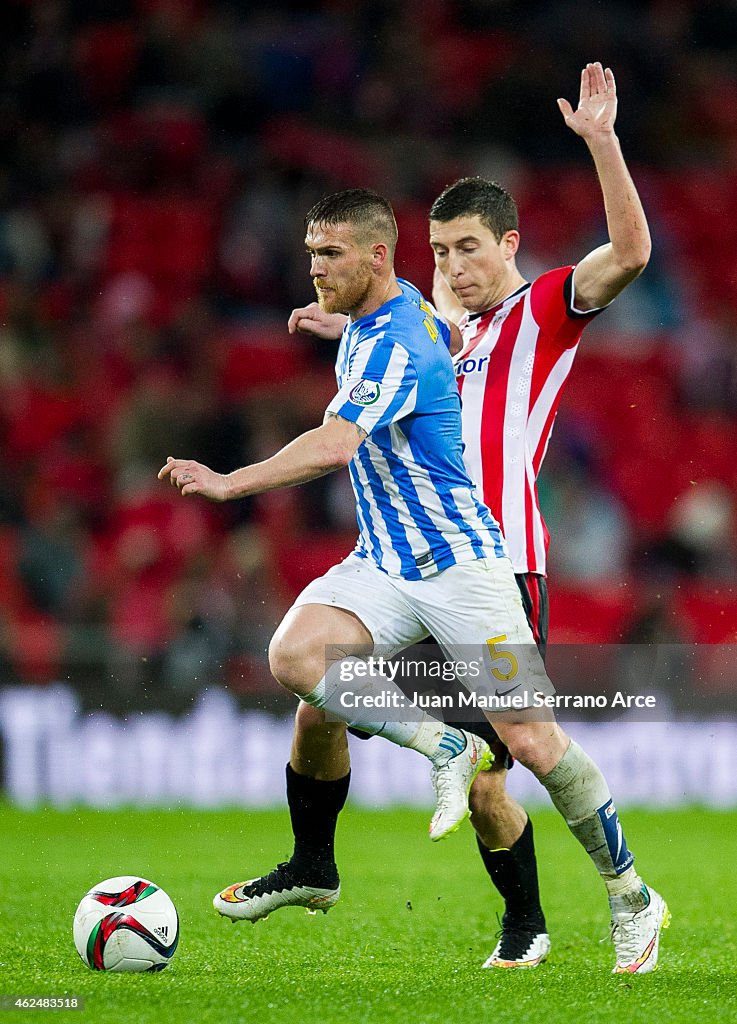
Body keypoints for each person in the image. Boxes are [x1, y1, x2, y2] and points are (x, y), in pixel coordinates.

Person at [214, 64, 669, 976]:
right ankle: (313, 864)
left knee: (517, 755)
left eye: (468, 249)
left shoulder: (537, 312)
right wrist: (339, 325)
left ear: (507, 246)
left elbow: (627, 255)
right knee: (318, 702)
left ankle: (614, 900)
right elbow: (399, 360)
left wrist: (601, 142)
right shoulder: (422, 326)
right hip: (395, 562)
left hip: (494, 571)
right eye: (440, 251)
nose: (454, 268)